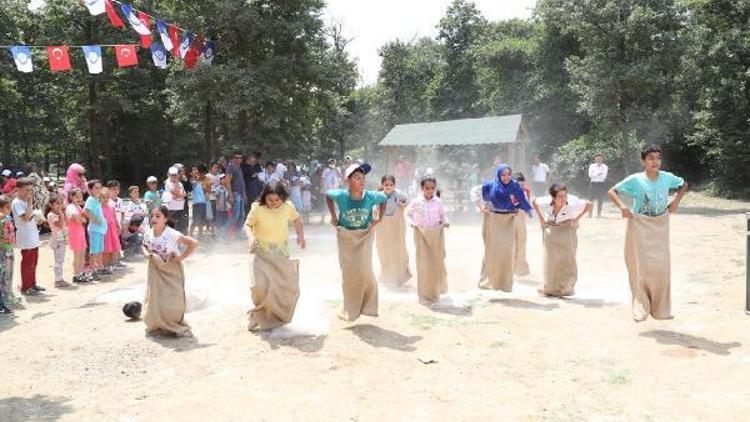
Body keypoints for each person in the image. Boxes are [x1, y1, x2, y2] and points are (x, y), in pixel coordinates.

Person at [608, 144, 688, 322]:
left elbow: (684, 184)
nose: (656, 161)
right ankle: (640, 306)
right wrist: (622, 207)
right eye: (651, 158)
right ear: (643, 161)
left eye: (658, 158)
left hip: (660, 224)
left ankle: (661, 309)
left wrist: (676, 201)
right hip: (640, 224)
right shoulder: (636, 180)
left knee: (661, 267)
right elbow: (612, 191)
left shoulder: (667, 178)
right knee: (640, 267)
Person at [326, 163, 387, 321]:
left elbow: (384, 198)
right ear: (348, 180)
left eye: (363, 177)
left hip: (364, 236)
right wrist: (334, 217)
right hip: (346, 238)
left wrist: (378, 219)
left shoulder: (370, 196)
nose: (361, 181)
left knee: (365, 270)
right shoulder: (341, 195)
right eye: (357, 177)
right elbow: (327, 194)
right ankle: (350, 309)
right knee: (349, 274)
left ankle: (368, 306)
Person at [244, 182, 306, 331]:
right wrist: (251, 238)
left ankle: (277, 317)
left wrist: (300, 235)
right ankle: (256, 315)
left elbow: (297, 220)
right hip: (261, 251)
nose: (273, 203)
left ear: (282, 198)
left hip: (280, 252)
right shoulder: (257, 208)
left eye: (277, 200)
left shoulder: (288, 206)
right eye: (270, 199)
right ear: (264, 197)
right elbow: (247, 225)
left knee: (279, 286)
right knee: (259, 286)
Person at [142, 206, 198, 337]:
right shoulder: (148, 233)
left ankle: (172, 324)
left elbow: (193, 243)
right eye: (152, 216)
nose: (154, 219)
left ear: (165, 219)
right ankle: (157, 324)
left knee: (172, 299)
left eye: (158, 216)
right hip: (155, 270)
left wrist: (180, 258)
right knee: (155, 297)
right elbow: (144, 245)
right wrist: (147, 254)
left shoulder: (171, 233)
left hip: (171, 271)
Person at [478, 164, 533, 292]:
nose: (506, 177)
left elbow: (522, 199)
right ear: (498, 175)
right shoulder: (490, 185)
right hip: (493, 219)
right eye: (503, 175)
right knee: (491, 250)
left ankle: (504, 283)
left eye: (508, 174)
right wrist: (482, 206)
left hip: (508, 220)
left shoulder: (515, 186)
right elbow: (481, 196)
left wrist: (528, 209)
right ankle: (487, 280)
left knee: (507, 250)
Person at [533, 183, 591, 297]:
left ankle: (567, 287)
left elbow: (589, 204)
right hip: (551, 229)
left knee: (568, 257)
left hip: (567, 228)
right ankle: (550, 287)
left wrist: (577, 218)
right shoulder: (545, 202)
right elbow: (533, 201)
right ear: (553, 197)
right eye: (560, 196)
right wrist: (541, 218)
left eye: (565, 195)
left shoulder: (573, 202)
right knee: (551, 259)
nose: (563, 198)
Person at [406, 177, 449, 304]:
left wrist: (446, 222)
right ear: (422, 188)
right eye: (427, 188)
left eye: (432, 188)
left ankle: (436, 290)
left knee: (436, 261)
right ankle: (424, 293)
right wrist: (412, 223)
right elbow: (407, 214)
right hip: (421, 235)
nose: (430, 191)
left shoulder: (438, 202)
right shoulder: (416, 202)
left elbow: (442, 215)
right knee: (424, 263)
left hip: (435, 235)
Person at [375, 175, 411, 286]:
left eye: (391, 185)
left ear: (394, 185)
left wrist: (403, 204)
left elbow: (407, 201)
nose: (388, 187)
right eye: (386, 185)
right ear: (382, 185)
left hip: (396, 226)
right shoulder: (379, 196)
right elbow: (374, 208)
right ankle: (386, 275)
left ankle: (400, 276)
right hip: (383, 227)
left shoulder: (399, 194)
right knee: (383, 249)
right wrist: (375, 211)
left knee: (398, 249)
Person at [12, 178, 43, 295]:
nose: (29, 193)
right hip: (25, 236)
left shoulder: (25, 201)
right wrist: (30, 203)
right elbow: (25, 218)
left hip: (33, 235)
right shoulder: (17, 203)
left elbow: (30, 216)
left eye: (30, 190)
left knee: (34, 261)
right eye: (26, 190)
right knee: (27, 262)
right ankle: (26, 286)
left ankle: (32, 283)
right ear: (18, 190)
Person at [45, 194, 71, 288]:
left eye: (61, 203)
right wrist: (61, 214)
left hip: (62, 239)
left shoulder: (59, 214)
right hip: (58, 240)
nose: (59, 205)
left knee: (61, 260)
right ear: (51, 205)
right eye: (57, 203)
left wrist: (62, 213)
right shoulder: (51, 215)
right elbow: (60, 225)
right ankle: (58, 280)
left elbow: (66, 223)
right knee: (58, 261)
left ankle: (60, 278)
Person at [83, 180, 107, 278]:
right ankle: (93, 270)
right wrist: (95, 219)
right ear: (90, 190)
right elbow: (85, 211)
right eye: (96, 188)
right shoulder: (91, 200)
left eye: (100, 187)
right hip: (95, 229)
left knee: (99, 249)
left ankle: (100, 267)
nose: (99, 190)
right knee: (94, 250)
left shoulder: (96, 199)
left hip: (100, 229)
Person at [66, 189, 90, 283]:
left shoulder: (78, 207)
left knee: (82, 254)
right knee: (77, 255)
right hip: (75, 233)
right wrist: (82, 219)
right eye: (77, 197)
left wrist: (82, 219)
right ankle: (77, 275)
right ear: (71, 197)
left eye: (80, 196)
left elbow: (83, 219)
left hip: (80, 232)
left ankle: (81, 273)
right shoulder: (71, 207)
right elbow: (79, 220)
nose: (79, 198)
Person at [0, 195, 19, 310]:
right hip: (3, 250)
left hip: (8, 248)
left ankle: (8, 293)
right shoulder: (3, 220)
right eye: (7, 207)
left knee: (9, 272)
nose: (10, 209)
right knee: (4, 274)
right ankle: (4, 296)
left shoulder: (7, 218)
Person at [512, 173, 532, 277]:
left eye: (522, 185)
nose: (521, 187)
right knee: (512, 244)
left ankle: (521, 268)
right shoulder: (508, 191)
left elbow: (527, 205)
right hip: (510, 219)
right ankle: (511, 268)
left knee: (521, 243)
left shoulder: (526, 191)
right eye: (519, 185)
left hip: (520, 218)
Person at [225, 152, 247, 236]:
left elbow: (242, 183)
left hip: (241, 194)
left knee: (242, 216)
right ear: (233, 158)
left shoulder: (239, 168)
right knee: (235, 216)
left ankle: (237, 235)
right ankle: (224, 234)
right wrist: (230, 195)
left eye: (240, 158)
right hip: (235, 194)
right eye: (236, 157)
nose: (238, 159)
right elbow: (227, 181)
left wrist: (244, 194)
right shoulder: (231, 167)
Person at [162, 167, 187, 234]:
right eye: (172, 174)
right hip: (171, 208)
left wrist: (179, 195)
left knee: (179, 226)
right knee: (171, 226)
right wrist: (179, 195)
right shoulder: (168, 183)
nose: (173, 176)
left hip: (179, 208)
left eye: (175, 174)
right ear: (169, 174)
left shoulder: (180, 183)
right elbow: (177, 193)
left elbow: (185, 194)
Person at [189, 165, 208, 238]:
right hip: (197, 203)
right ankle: (190, 235)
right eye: (194, 170)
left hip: (203, 202)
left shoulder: (199, 181)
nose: (196, 171)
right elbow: (192, 184)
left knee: (202, 220)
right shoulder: (192, 181)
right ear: (190, 173)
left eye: (196, 169)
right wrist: (196, 179)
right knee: (195, 220)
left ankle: (200, 234)